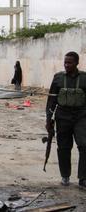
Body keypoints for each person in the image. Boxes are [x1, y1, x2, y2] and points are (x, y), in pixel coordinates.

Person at [46, 51, 86, 188]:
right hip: (62, 117)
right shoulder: (58, 78)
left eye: (70, 62)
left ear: (77, 63)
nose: (67, 65)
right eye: (65, 62)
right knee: (63, 147)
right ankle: (65, 176)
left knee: (84, 145)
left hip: (81, 116)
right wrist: (48, 119)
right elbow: (51, 100)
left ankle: (83, 178)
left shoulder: (84, 78)